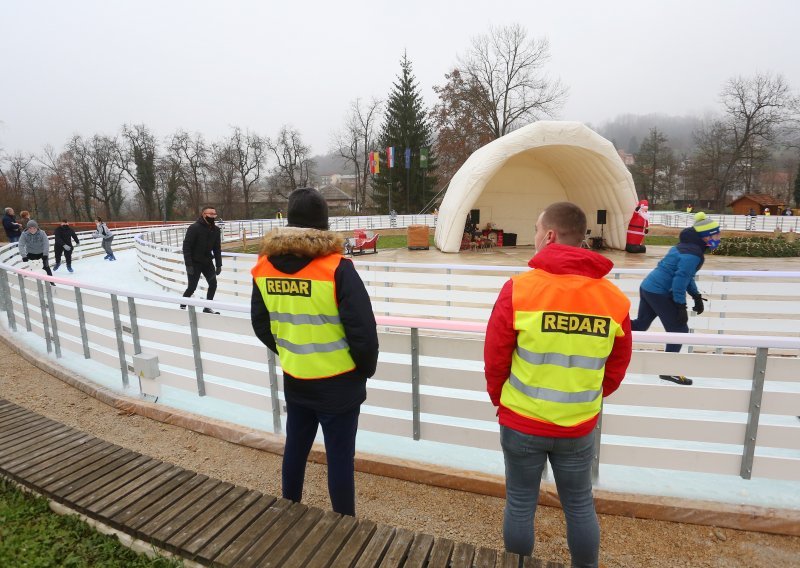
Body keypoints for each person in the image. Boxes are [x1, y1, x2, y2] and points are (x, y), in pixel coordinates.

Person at [484, 202, 632, 566]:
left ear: (549, 235)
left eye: (537, 230)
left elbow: (495, 357)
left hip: (521, 420)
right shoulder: (614, 300)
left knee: (520, 503)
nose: (535, 237)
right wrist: (588, 398)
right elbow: (617, 366)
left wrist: (501, 400)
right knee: (580, 505)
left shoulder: (519, 289)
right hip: (578, 424)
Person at [250, 187, 379, 516]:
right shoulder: (337, 268)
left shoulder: (264, 266)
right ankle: (344, 524)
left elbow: (260, 323)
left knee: (295, 448)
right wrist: (363, 370)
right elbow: (363, 332)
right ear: (324, 224)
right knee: (338, 459)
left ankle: (290, 509)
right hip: (339, 383)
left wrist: (292, 353)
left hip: (297, 377)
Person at [631, 212, 721, 385]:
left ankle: (611, 331)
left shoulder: (685, 247)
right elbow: (679, 282)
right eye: (715, 234)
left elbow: (686, 277)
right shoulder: (692, 254)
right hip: (660, 292)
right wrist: (681, 306)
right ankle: (668, 371)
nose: (718, 237)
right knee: (680, 331)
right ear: (705, 237)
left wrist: (696, 296)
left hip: (648, 286)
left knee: (640, 324)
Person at [181, 206, 222, 314]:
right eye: (210, 214)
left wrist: (219, 264)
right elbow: (186, 247)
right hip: (194, 263)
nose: (213, 216)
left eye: (214, 214)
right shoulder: (194, 228)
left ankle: (207, 307)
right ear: (204, 214)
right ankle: (182, 306)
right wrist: (188, 264)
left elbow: (217, 248)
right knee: (192, 287)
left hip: (207, 262)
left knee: (213, 284)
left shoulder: (216, 230)